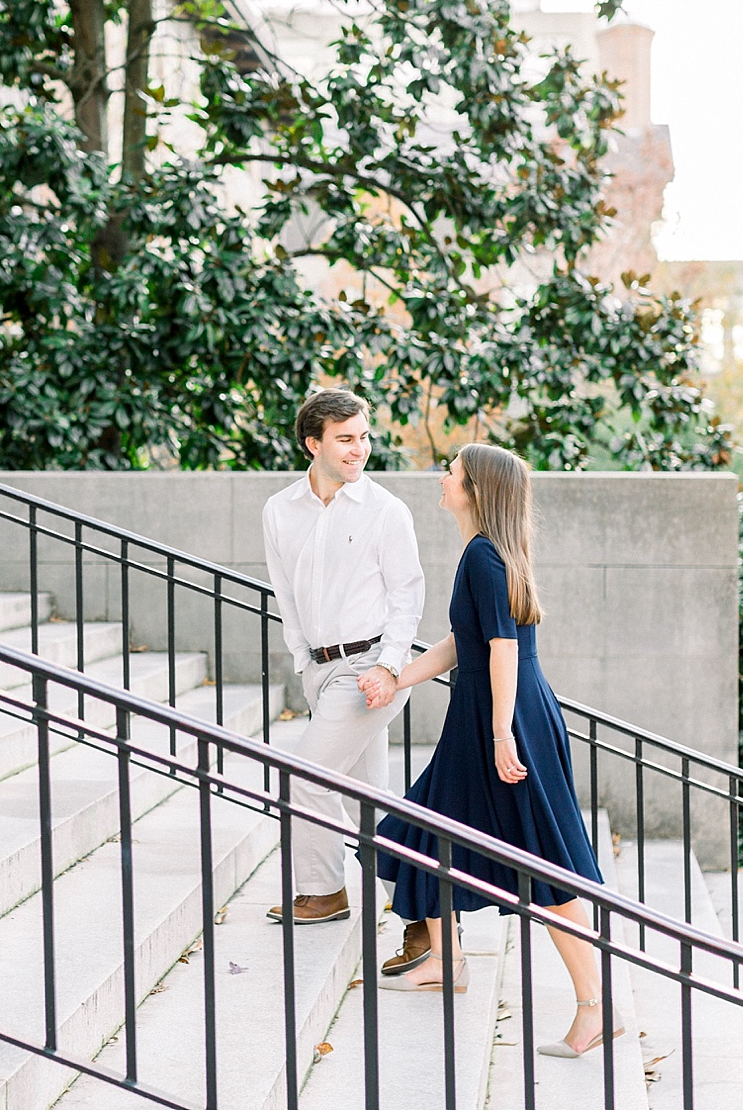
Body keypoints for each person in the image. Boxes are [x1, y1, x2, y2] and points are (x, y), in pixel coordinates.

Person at [370, 442, 620, 1060]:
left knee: (542, 860)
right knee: (418, 830)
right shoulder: (482, 552)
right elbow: (464, 642)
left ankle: (595, 1006)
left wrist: (503, 731)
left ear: (476, 487)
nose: (442, 477)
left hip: (503, 719)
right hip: (486, 715)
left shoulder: (485, 556)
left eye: (450, 472)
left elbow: (503, 649)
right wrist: (397, 676)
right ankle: (447, 961)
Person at [260, 389, 437, 973]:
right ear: (314, 444)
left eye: (364, 435)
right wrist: (301, 662)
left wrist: (389, 667)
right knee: (372, 800)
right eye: (346, 438)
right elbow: (285, 595)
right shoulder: (280, 510)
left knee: (304, 778)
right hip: (320, 668)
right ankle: (420, 921)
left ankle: (327, 890)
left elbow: (407, 594)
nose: (360, 448)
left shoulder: (385, 510)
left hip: (370, 671)